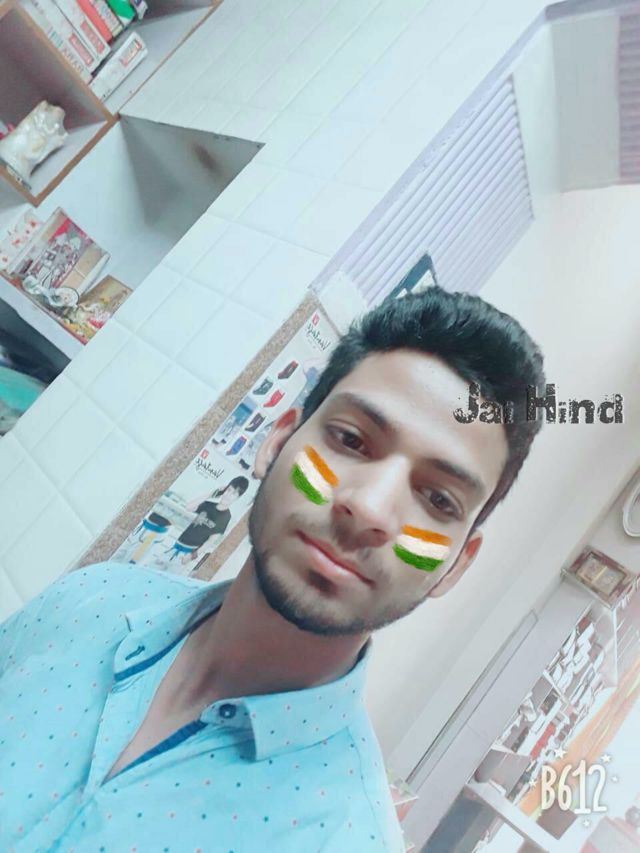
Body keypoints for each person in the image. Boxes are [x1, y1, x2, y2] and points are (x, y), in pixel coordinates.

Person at [0, 286, 546, 852]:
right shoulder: (90, 598)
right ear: (276, 440)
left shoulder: (346, 840)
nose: (369, 508)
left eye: (437, 500)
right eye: (351, 440)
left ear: (455, 566)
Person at [166, 476, 250, 566]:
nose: (228, 495)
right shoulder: (208, 505)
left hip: (187, 554)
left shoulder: (226, 517)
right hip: (176, 545)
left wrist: (192, 556)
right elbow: (188, 507)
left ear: (238, 498)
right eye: (228, 490)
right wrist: (212, 493)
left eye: (233, 493)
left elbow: (210, 541)